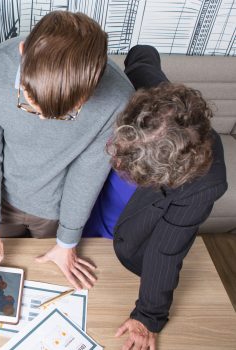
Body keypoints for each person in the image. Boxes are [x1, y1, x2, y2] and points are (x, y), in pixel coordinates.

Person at [0, 11, 134, 290]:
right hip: (0, 199)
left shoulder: (118, 98)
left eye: (64, 114)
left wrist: (67, 241)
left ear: (94, 84)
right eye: (31, 104)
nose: (43, 119)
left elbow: (87, 173)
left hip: (57, 210)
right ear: (23, 52)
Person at [83, 45, 228, 350]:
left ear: (170, 176)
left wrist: (147, 317)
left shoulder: (204, 184)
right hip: (84, 213)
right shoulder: (153, 99)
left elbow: (166, 251)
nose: (117, 164)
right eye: (119, 150)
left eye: (130, 169)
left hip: (124, 241)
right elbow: (143, 52)